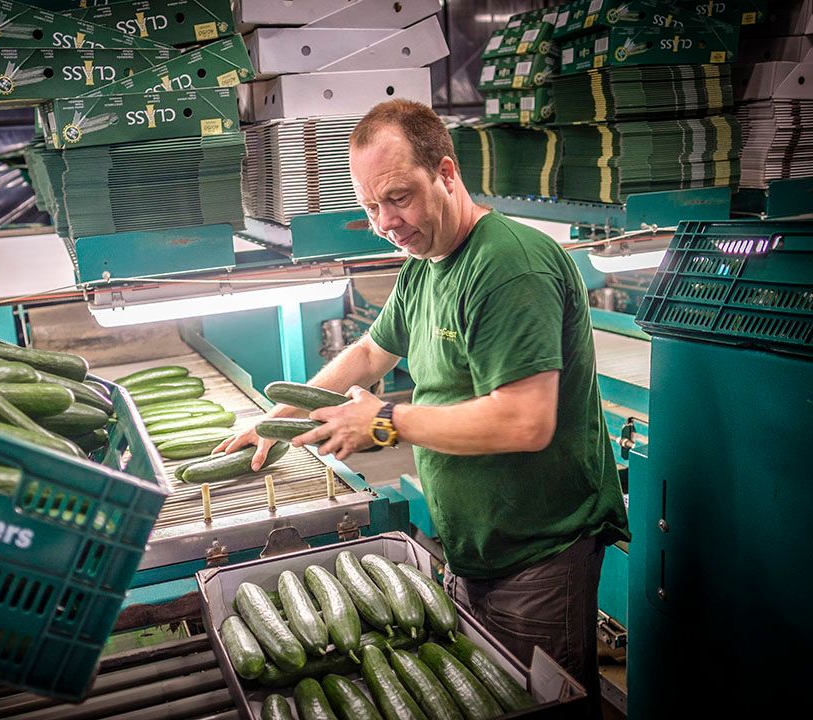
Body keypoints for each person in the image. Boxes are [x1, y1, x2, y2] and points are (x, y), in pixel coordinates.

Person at [216, 99, 630, 717]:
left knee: (539, 706)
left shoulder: (507, 266)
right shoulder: (426, 262)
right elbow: (367, 353)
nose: (386, 222)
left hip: (537, 556)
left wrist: (386, 422)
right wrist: (280, 423)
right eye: (370, 207)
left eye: (399, 198)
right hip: (475, 546)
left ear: (446, 172)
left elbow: (526, 420)